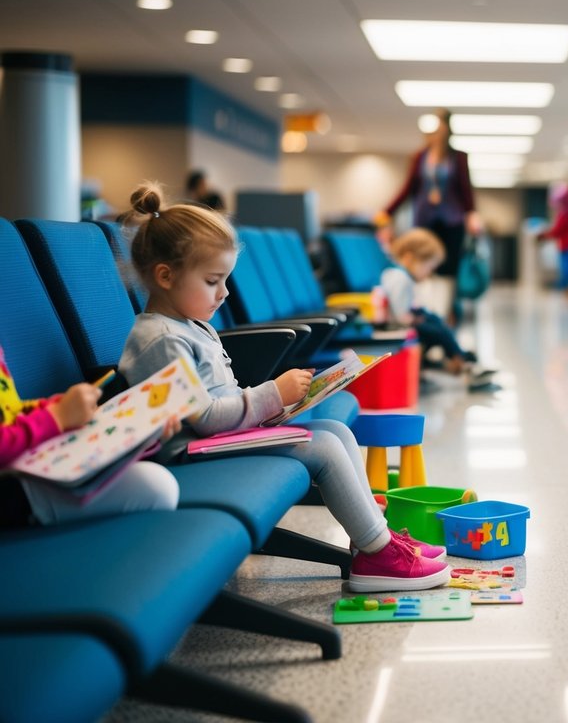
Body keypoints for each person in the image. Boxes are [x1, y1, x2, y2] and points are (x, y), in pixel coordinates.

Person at [117, 182, 451, 592]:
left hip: (218, 438)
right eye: (212, 281)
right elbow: (202, 418)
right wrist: (271, 395)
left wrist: (274, 409)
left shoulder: (187, 325)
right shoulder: (162, 340)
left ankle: (376, 539)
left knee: (337, 431)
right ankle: (378, 555)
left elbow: (219, 399)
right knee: (324, 447)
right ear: (165, 276)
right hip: (189, 453)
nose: (223, 293)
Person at [1, 344, 180, 526]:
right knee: (156, 487)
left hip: (28, 462)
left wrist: (55, 407)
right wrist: (57, 416)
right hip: (12, 488)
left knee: (154, 484)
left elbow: (11, 413)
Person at [378, 109, 482, 324]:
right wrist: (387, 211)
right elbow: (408, 188)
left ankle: (445, 311)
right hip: (426, 220)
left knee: (448, 268)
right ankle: (424, 308)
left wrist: (472, 214)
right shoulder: (419, 157)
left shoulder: (458, 157)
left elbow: (465, 189)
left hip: (452, 220)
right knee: (422, 265)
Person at [382, 228, 495, 390]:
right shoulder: (399, 277)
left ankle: (461, 358)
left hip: (404, 321)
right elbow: (400, 316)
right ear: (409, 258)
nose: (428, 273)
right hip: (397, 326)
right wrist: (415, 319)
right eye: (428, 267)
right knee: (438, 330)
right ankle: (462, 361)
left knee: (435, 321)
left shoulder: (399, 275)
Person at [539, 182, 568, 291]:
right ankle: (565, 286)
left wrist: (544, 235)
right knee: (566, 268)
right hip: (567, 245)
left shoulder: (567, 214)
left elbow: (558, 230)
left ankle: (567, 287)